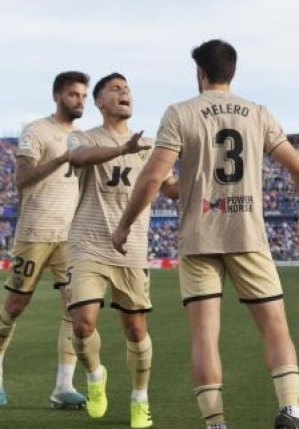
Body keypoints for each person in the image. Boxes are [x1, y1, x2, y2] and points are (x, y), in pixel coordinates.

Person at [111, 39, 299, 429]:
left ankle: (216, 423)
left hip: (199, 236)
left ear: (200, 73)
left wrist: (124, 225)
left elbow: (154, 175)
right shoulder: (258, 113)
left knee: (205, 336)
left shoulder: (180, 113)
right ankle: (291, 411)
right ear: (232, 72)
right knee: (275, 325)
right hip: (248, 236)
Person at [64, 73, 177, 427]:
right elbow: (79, 157)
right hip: (87, 243)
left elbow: (172, 189)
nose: (124, 92)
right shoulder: (83, 136)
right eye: (115, 89)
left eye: (127, 88)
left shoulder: (150, 145)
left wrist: (207, 171)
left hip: (130, 249)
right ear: (99, 101)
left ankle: (139, 398)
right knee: (82, 325)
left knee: (135, 330)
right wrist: (120, 150)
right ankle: (96, 376)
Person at [0, 71, 91, 409]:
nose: (80, 101)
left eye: (84, 96)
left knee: (74, 310)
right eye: (74, 95)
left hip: (69, 237)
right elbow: (23, 180)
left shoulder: (84, 137)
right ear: (58, 96)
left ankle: (62, 386)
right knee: (16, 306)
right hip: (34, 233)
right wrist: (60, 159)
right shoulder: (36, 131)